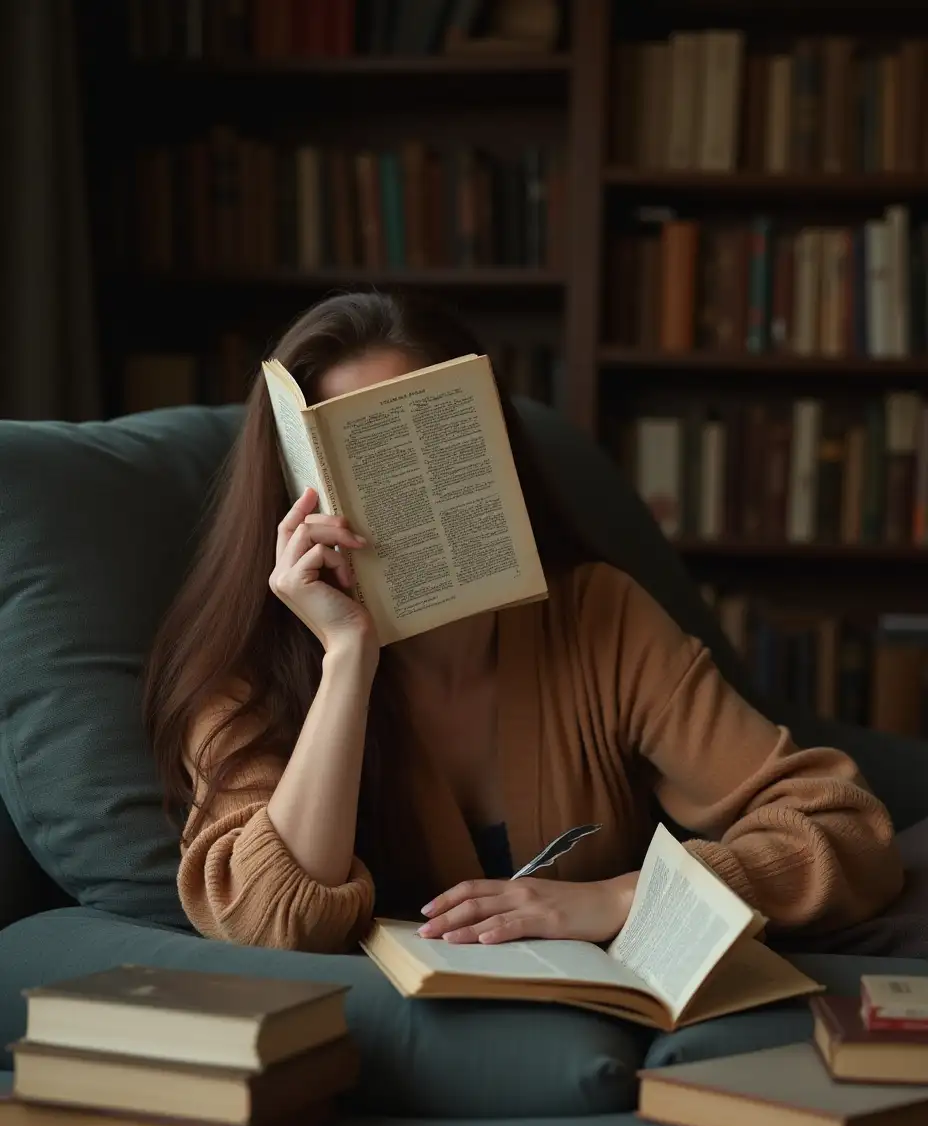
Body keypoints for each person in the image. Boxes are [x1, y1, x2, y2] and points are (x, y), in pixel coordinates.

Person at [142, 290, 903, 954]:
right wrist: (347, 658)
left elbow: (847, 832)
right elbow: (270, 922)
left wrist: (625, 899)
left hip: (604, 1027)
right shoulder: (251, 667)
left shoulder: (597, 616)